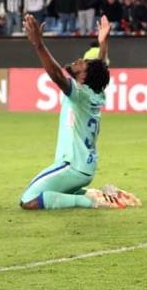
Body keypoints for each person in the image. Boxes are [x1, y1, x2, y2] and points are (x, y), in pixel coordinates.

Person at [19, 15, 140, 210]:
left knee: (28, 200)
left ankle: (91, 201)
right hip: (86, 169)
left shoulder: (80, 93)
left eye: (83, 63)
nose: (78, 60)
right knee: (53, 194)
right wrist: (103, 44)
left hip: (71, 166)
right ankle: (101, 194)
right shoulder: (96, 93)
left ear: (83, 78)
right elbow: (99, 70)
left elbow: (57, 75)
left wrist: (39, 44)